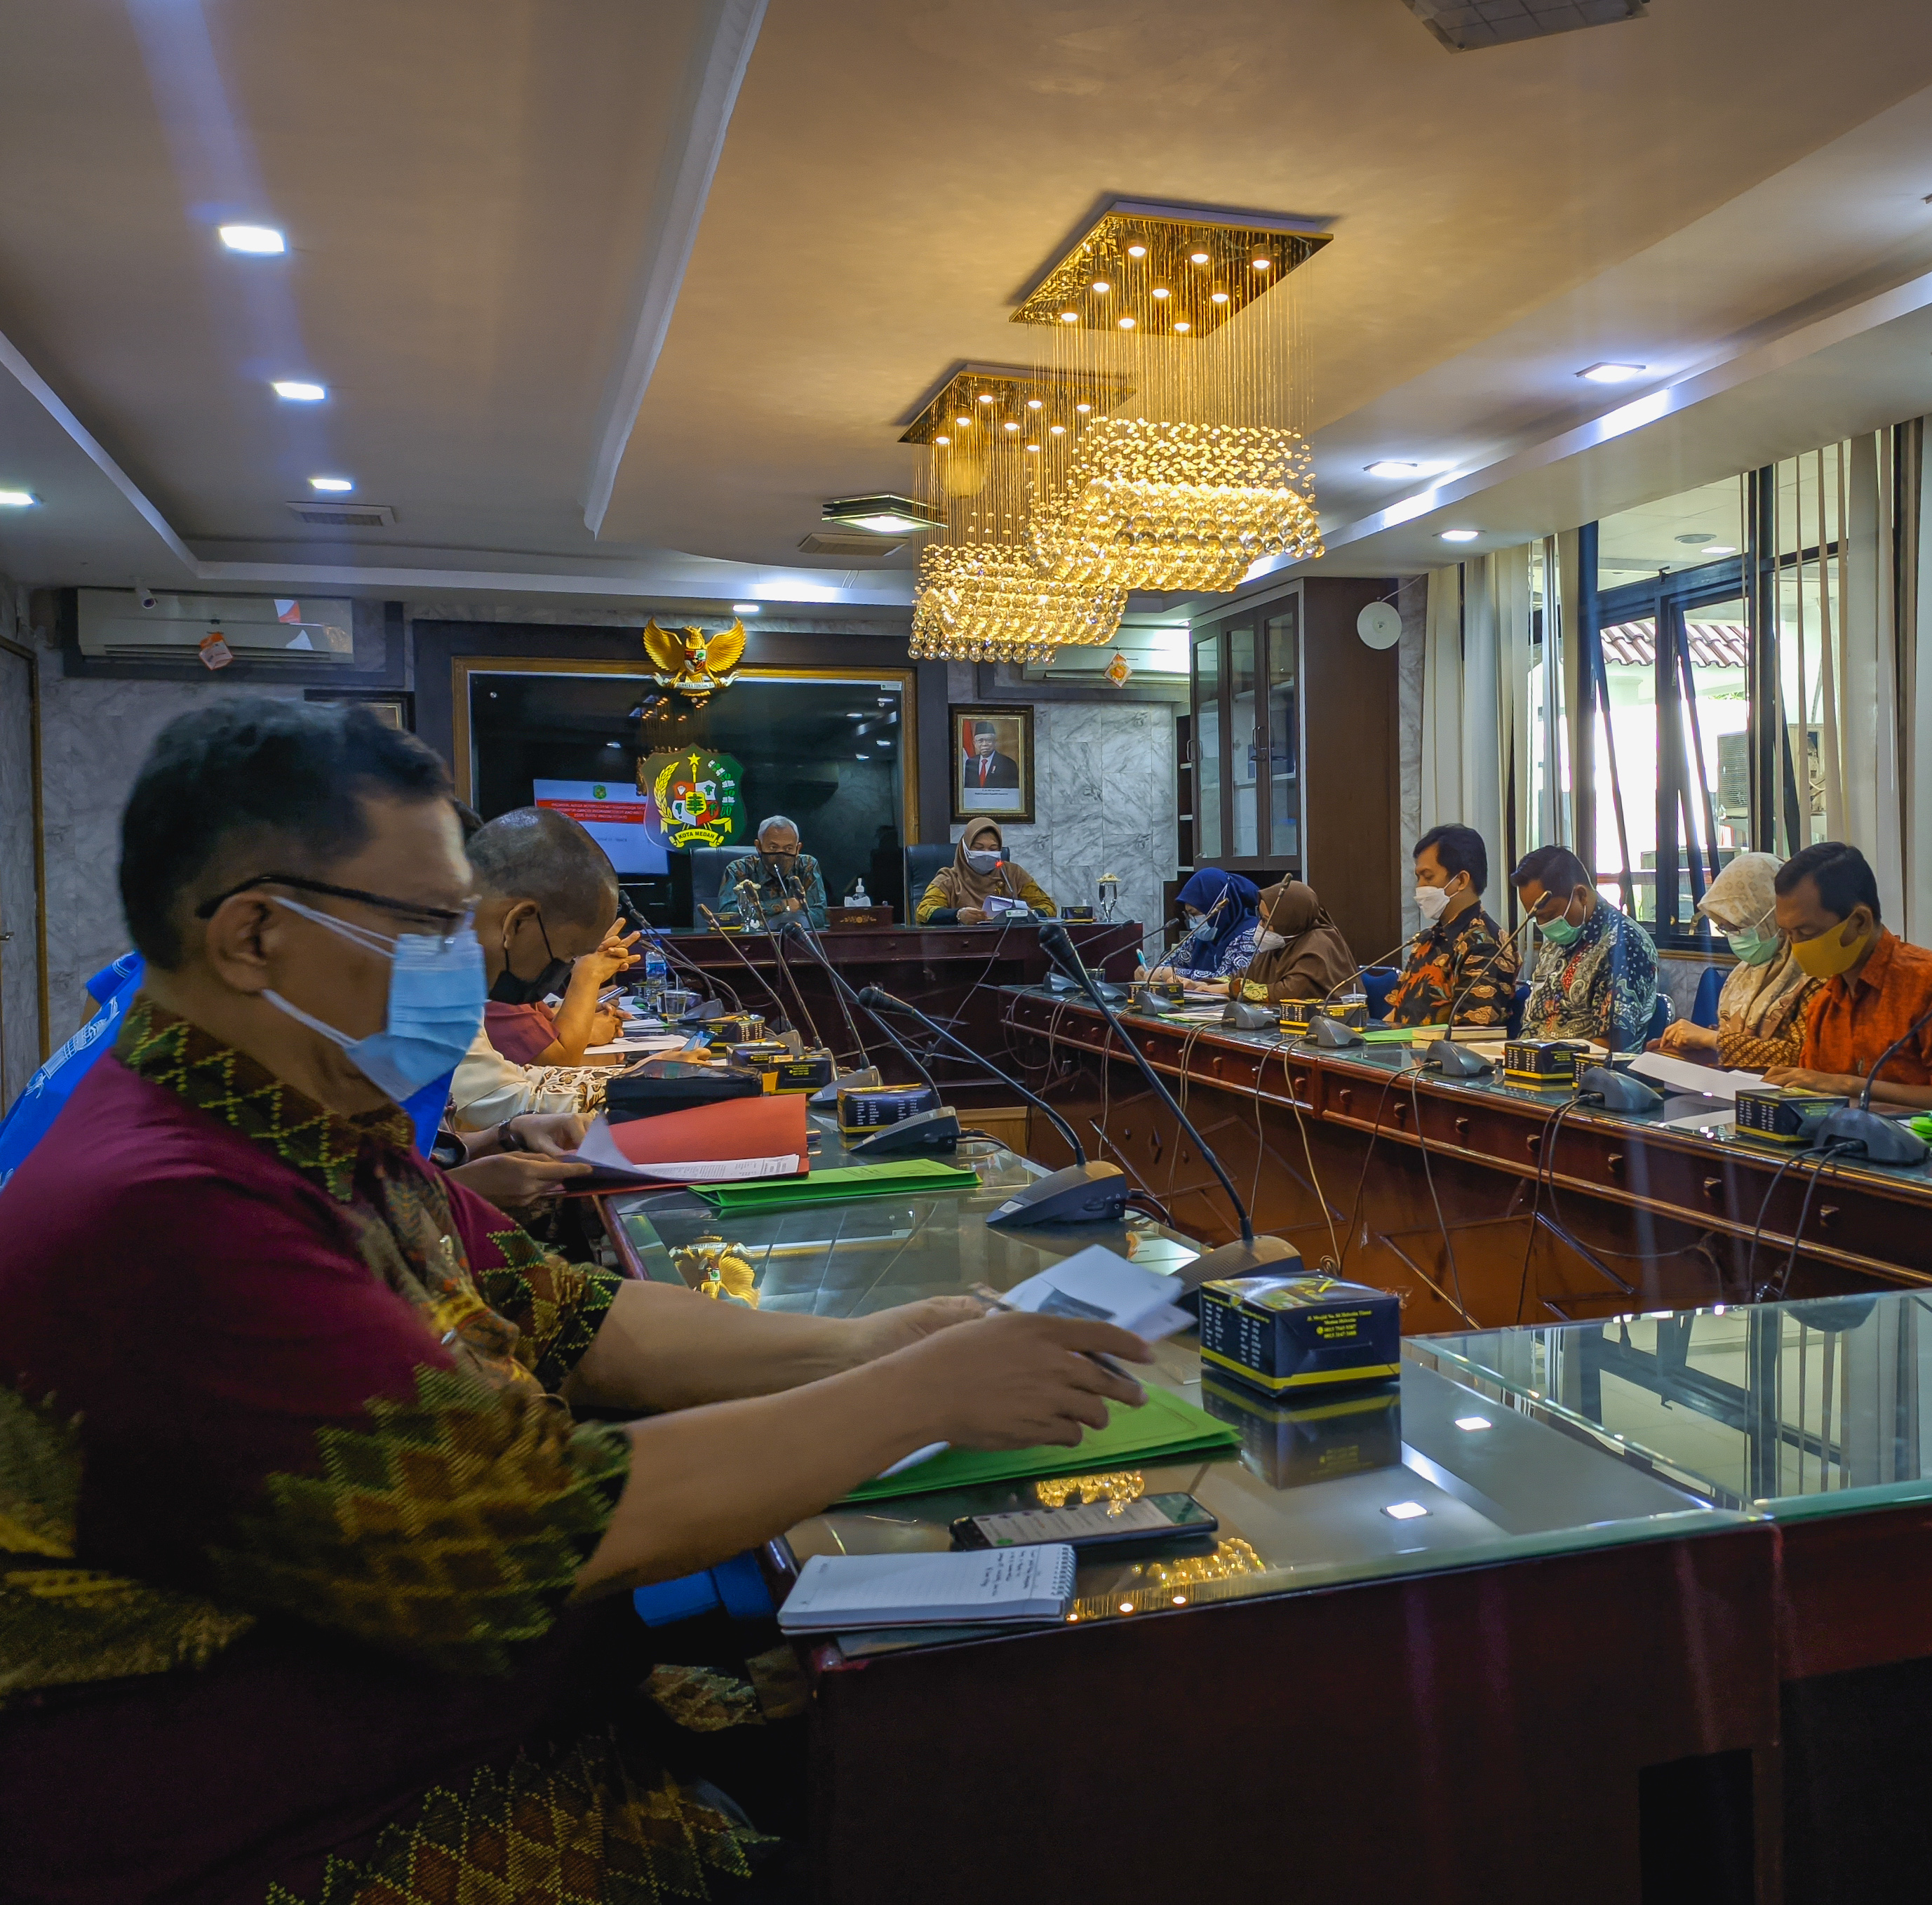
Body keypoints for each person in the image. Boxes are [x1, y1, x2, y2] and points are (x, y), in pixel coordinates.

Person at [0, 700, 1154, 1901]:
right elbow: (530, 1528)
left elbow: (569, 1313)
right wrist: (906, 1397)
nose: (467, 951)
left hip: (480, 1734)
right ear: (251, 935)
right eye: (427, 923)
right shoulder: (165, 1210)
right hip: (322, 1834)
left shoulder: (308, 1120)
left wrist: (862, 1344)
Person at [1762, 839, 1932, 1108]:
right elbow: (1815, 1093)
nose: (1797, 947)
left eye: (1808, 933)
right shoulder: (1826, 1002)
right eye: (1788, 934)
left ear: (1860, 921)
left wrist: (1848, 1086)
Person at [472, 806, 639, 1066]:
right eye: (569, 954)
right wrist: (588, 975)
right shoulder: (469, 985)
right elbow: (537, 1080)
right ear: (518, 923)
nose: (563, 970)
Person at [1655, 850, 1816, 1069]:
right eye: (1724, 928)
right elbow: (1731, 1036)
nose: (1733, 937)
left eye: (1738, 927)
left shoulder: (1813, 972)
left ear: (1769, 915)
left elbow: (1801, 1056)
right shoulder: (1743, 975)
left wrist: (1712, 1040)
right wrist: (1695, 1041)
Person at [1512, 844, 1659, 1050]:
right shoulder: (1557, 941)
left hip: (1590, 1076)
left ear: (1581, 895)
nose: (1545, 925)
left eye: (1549, 915)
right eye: (1536, 918)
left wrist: (1543, 1060)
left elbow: (1611, 1045)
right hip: (1534, 1067)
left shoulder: (1624, 944)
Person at [1386, 824, 1516, 1029]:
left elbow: (1471, 1032)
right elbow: (1395, 1017)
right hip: (1404, 1056)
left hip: (1444, 1059)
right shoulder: (1426, 940)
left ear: (1461, 881)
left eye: (1428, 877)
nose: (1420, 887)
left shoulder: (1485, 944)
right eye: (1418, 877)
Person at [1235, 877, 1358, 1004]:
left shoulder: (1319, 945)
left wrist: (1232, 989)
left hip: (1333, 1021)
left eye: (1267, 921)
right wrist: (1215, 984)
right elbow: (1245, 975)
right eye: (1261, 917)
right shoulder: (1284, 941)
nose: (1261, 925)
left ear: (1288, 921)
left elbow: (1288, 992)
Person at [915, 817, 1056, 923]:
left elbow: (1048, 907)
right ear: (965, 849)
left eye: (993, 849)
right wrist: (958, 915)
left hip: (1009, 946)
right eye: (978, 848)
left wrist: (1031, 914)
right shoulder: (949, 878)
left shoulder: (1012, 873)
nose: (986, 853)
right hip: (963, 948)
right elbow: (924, 911)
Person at [1143, 866, 1261, 992]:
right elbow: (1170, 964)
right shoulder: (1201, 936)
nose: (1193, 921)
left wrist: (1170, 974)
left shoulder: (1249, 936)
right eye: (1188, 915)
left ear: (1219, 908)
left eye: (1195, 914)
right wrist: (1149, 971)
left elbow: (1230, 980)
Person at [714, 814, 827, 924]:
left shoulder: (807, 866)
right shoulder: (739, 870)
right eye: (773, 848)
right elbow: (727, 915)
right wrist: (783, 905)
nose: (781, 855)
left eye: (788, 848)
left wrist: (765, 916)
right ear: (759, 847)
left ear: (798, 849)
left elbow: (820, 915)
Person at [963, 718, 1020, 791]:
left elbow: (1012, 792)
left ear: (995, 742)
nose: (984, 744)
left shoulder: (1008, 764)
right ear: (975, 743)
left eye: (989, 740)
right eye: (980, 741)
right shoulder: (970, 763)